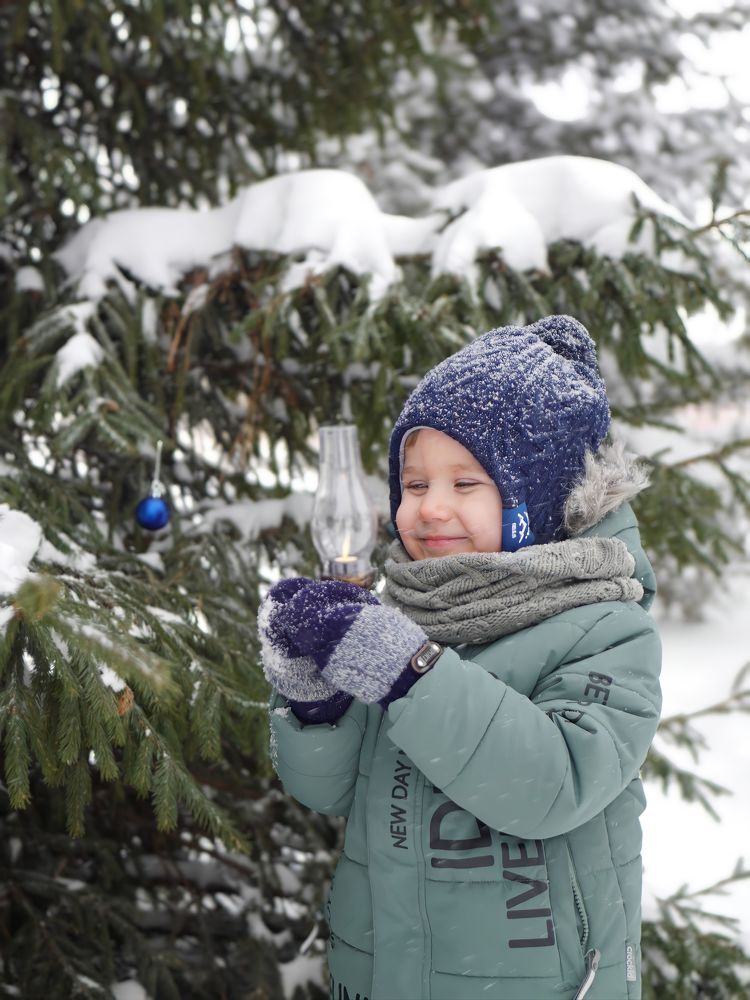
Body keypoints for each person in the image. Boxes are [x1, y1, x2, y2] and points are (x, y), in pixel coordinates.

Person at [259, 315, 662, 1000]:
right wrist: (313, 700)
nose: (430, 508)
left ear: (536, 497)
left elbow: (552, 784)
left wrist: (409, 674)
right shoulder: (403, 610)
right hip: (386, 974)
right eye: (414, 486)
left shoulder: (604, 626)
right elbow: (329, 792)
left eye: (465, 484)